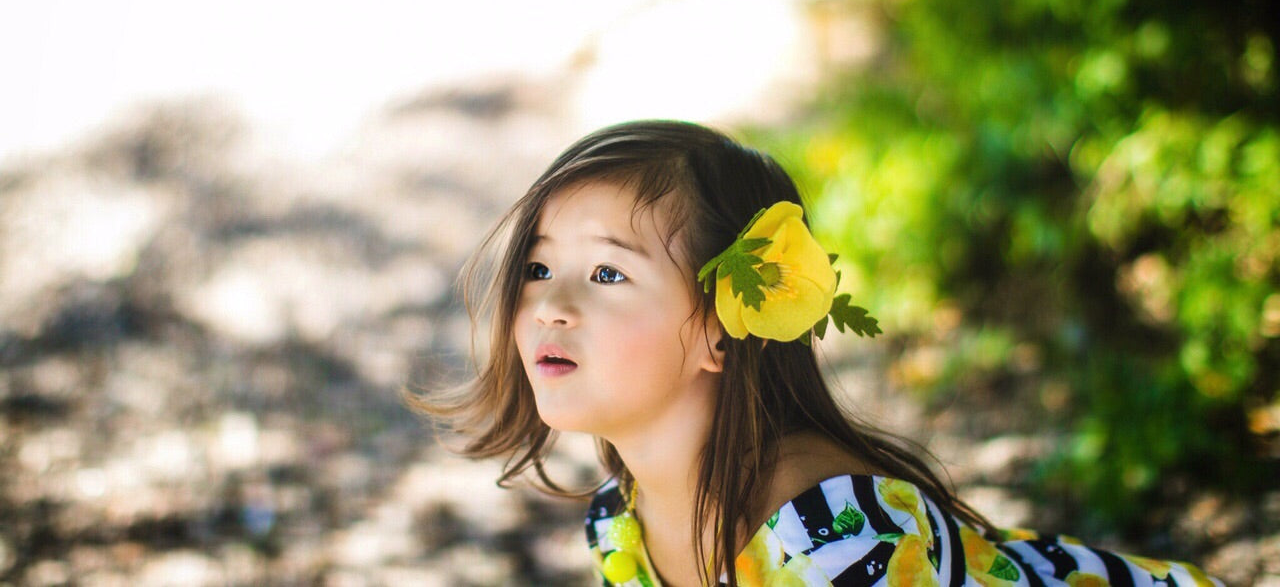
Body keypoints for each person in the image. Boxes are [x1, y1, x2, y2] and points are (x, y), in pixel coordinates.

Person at [418, 120, 1222, 586]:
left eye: (606, 272)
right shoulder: (622, 526)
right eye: (536, 266)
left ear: (722, 324)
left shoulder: (835, 537)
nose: (551, 305)